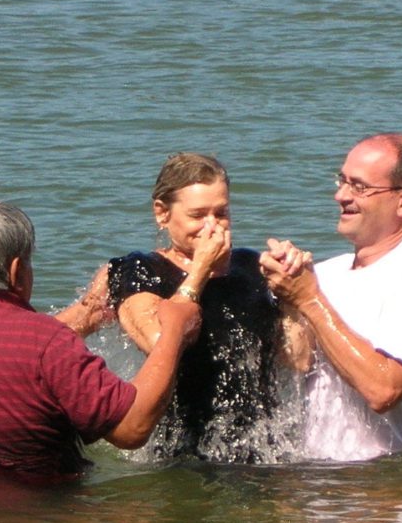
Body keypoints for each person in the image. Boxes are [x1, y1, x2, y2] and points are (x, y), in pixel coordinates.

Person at [0, 197, 201, 482]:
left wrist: (85, 318)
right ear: (16, 271)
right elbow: (132, 427)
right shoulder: (45, 342)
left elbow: (10, 351)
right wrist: (174, 329)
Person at [260, 133, 402, 461]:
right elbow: (298, 364)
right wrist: (287, 293)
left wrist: (309, 300)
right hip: (324, 478)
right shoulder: (325, 274)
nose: (340, 195)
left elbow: (384, 389)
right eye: (342, 180)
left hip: (396, 481)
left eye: (359, 187)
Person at [106, 153, 310, 463]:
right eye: (198, 215)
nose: (212, 226)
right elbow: (160, 341)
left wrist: (292, 293)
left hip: (264, 451)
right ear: (162, 213)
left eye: (221, 213)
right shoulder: (139, 270)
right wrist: (200, 268)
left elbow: (298, 359)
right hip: (181, 456)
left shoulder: (249, 266)